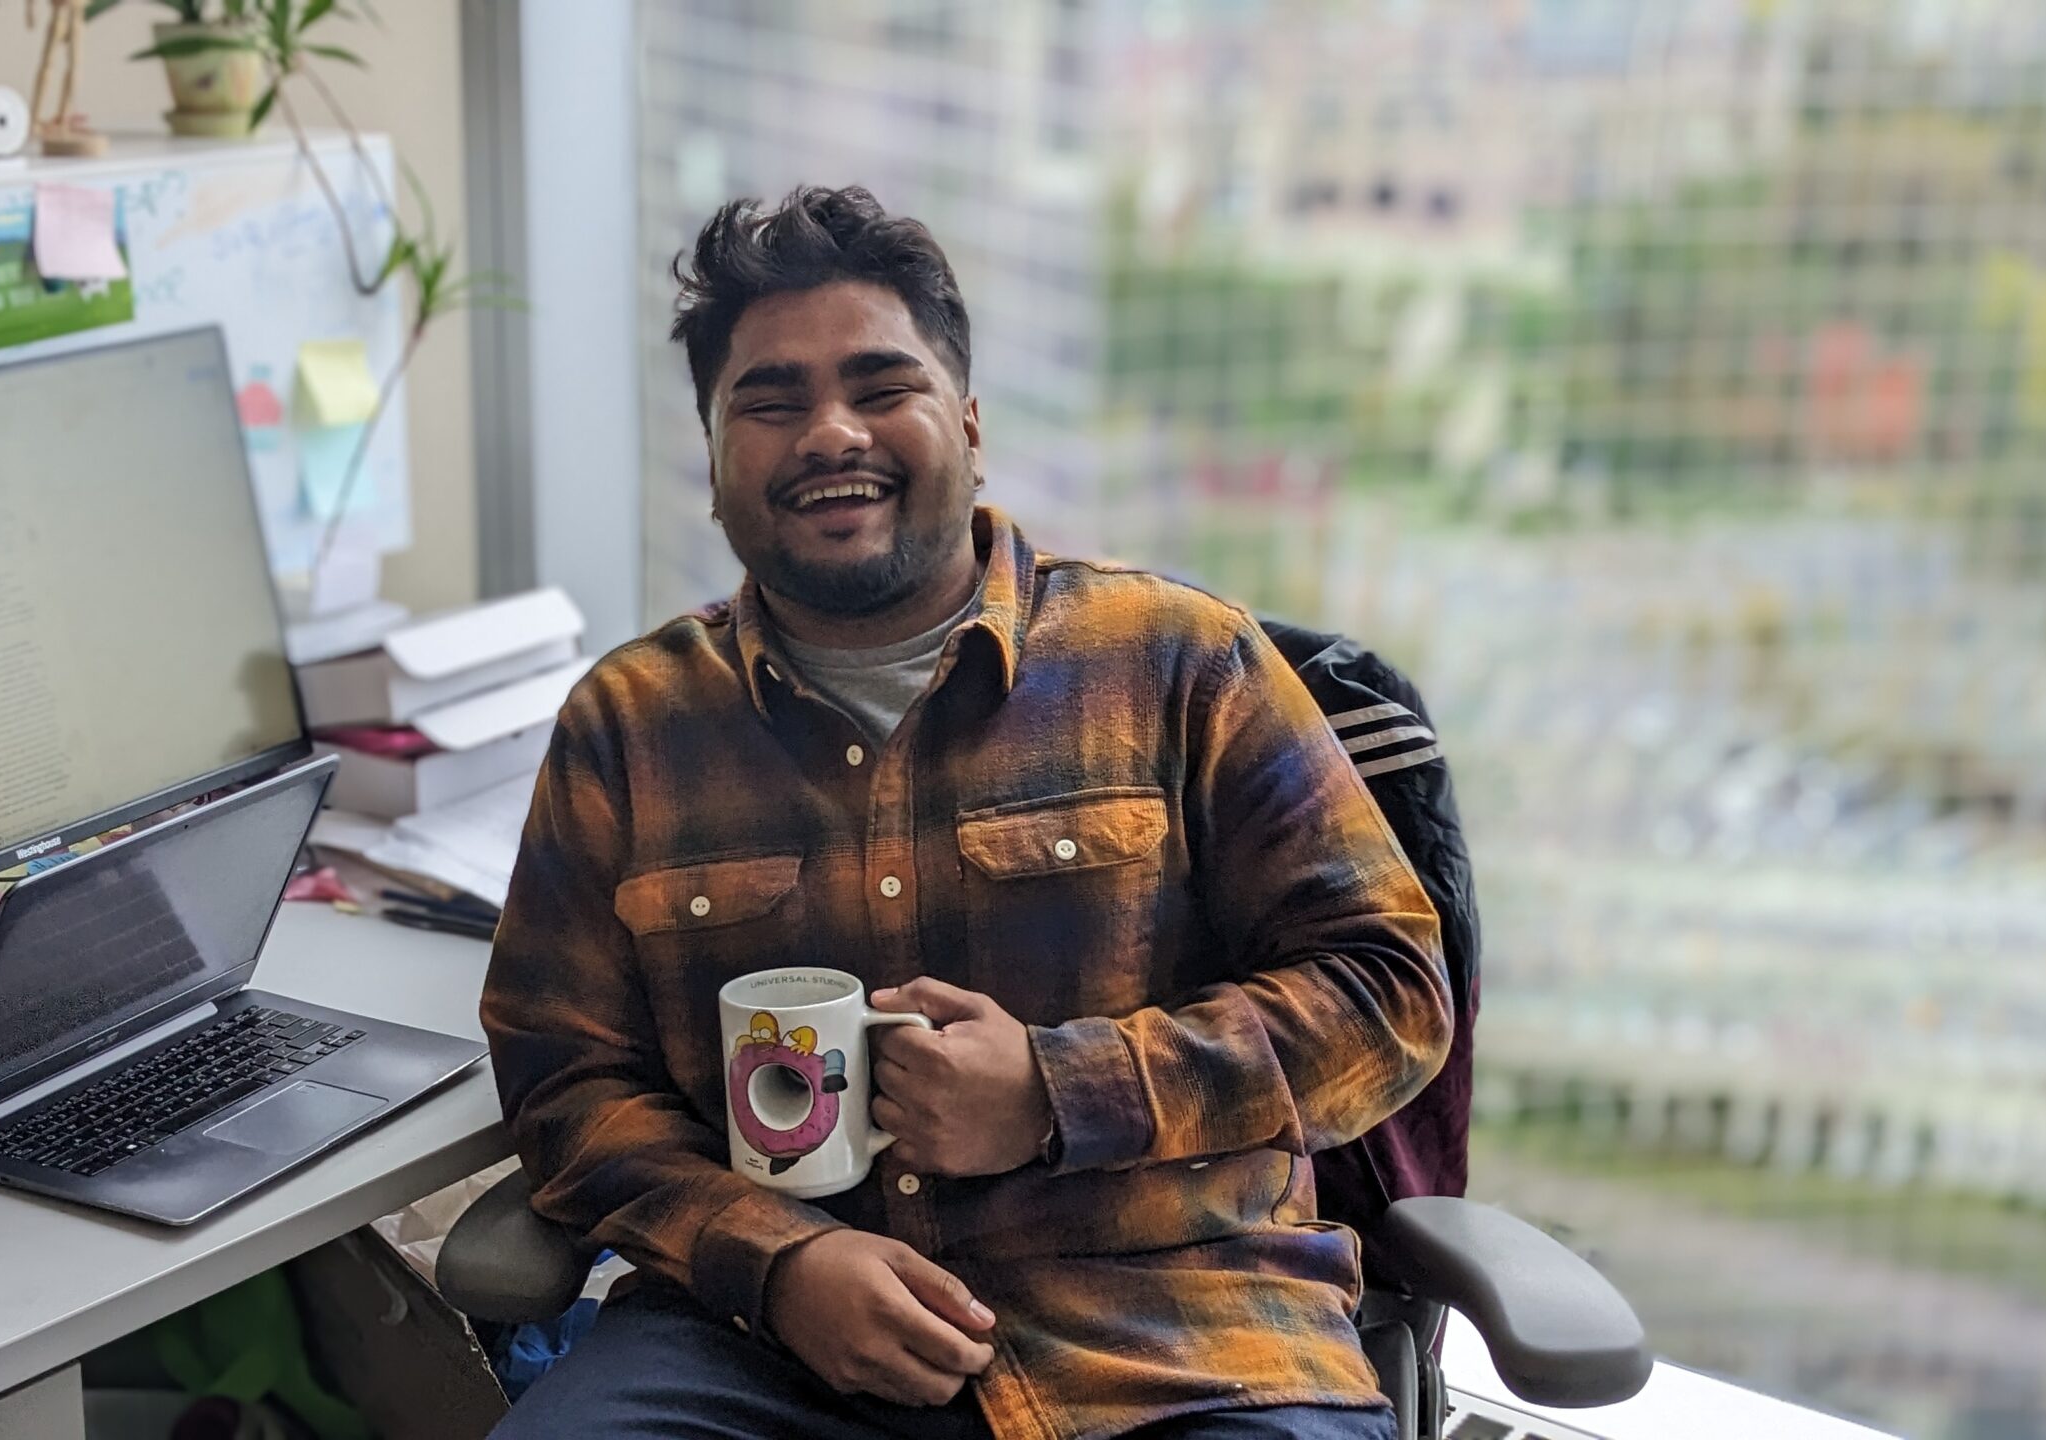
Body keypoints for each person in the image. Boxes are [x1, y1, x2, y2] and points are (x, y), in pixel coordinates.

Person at [481, 186, 1452, 1440]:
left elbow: (1387, 994)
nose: (829, 433)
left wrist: (1058, 1090)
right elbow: (565, 1082)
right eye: (769, 404)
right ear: (714, 462)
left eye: (881, 387)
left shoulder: (1179, 660)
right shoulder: (629, 724)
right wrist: (775, 1262)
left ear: (970, 425)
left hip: (1175, 1330)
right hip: (756, 1347)